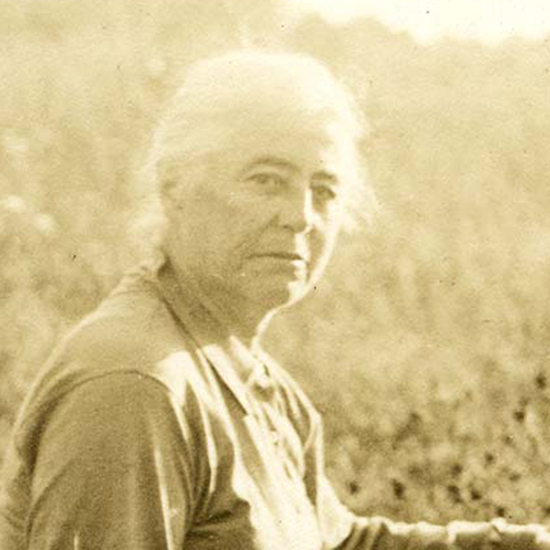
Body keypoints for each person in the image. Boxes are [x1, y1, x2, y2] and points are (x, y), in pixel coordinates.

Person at [0, 50, 548, 550]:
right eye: (266, 181)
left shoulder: (248, 377)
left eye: (324, 190)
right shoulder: (135, 386)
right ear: (175, 188)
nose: (301, 216)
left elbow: (335, 542)